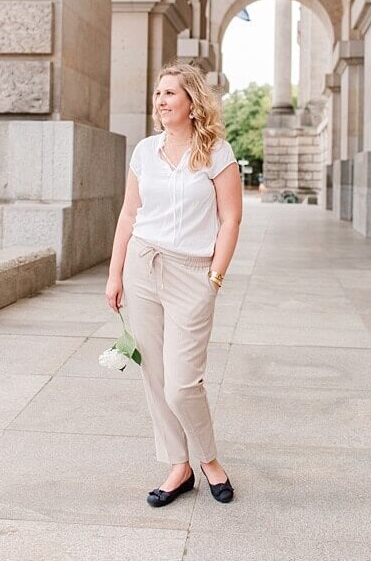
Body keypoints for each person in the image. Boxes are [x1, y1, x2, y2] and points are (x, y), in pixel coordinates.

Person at [106, 62, 242, 507]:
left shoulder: (217, 152)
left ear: (192, 101)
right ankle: (178, 466)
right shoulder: (144, 152)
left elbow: (231, 218)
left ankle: (208, 460)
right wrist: (115, 274)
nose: (161, 101)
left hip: (192, 273)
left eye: (170, 93)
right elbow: (129, 215)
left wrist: (214, 278)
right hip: (142, 267)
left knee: (182, 383)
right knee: (155, 374)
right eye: (158, 94)